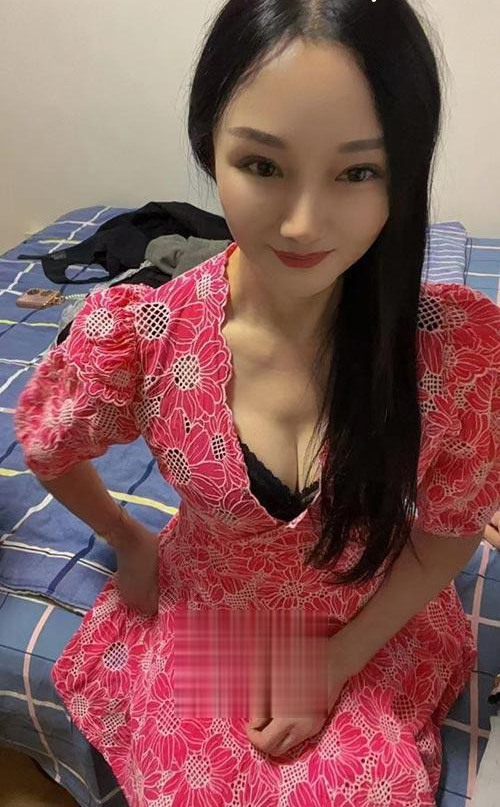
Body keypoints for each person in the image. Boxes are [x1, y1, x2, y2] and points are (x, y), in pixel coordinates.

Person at [15, 1, 499, 805]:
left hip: (370, 616)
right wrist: (129, 538)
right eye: (263, 165)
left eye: (358, 172)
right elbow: (48, 440)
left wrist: (336, 661)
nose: (304, 225)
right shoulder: (148, 338)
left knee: (364, 785)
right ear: (210, 146)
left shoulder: (453, 354)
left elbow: (449, 531)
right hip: (213, 619)